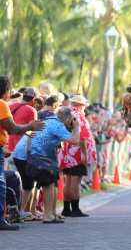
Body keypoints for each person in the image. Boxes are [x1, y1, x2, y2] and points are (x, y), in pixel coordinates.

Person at [13, 107, 80, 223]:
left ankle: (17, 214)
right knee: (50, 179)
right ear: (68, 119)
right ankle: (48, 215)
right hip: (31, 155)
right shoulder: (58, 125)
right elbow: (75, 140)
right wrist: (77, 127)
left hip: (19, 154)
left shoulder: (49, 119)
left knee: (28, 185)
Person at [0, 76, 45, 230]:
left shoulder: (9, 106)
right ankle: (4, 218)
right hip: (19, 151)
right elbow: (12, 128)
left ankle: (14, 213)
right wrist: (30, 126)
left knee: (12, 177)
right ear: (6, 92)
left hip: (6, 149)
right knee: (3, 182)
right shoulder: (2, 104)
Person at [58, 95, 95, 218]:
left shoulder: (67, 113)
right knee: (76, 181)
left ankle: (66, 209)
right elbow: (82, 138)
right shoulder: (79, 116)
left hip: (66, 154)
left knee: (68, 181)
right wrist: (85, 154)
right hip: (76, 154)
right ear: (82, 105)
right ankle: (75, 209)